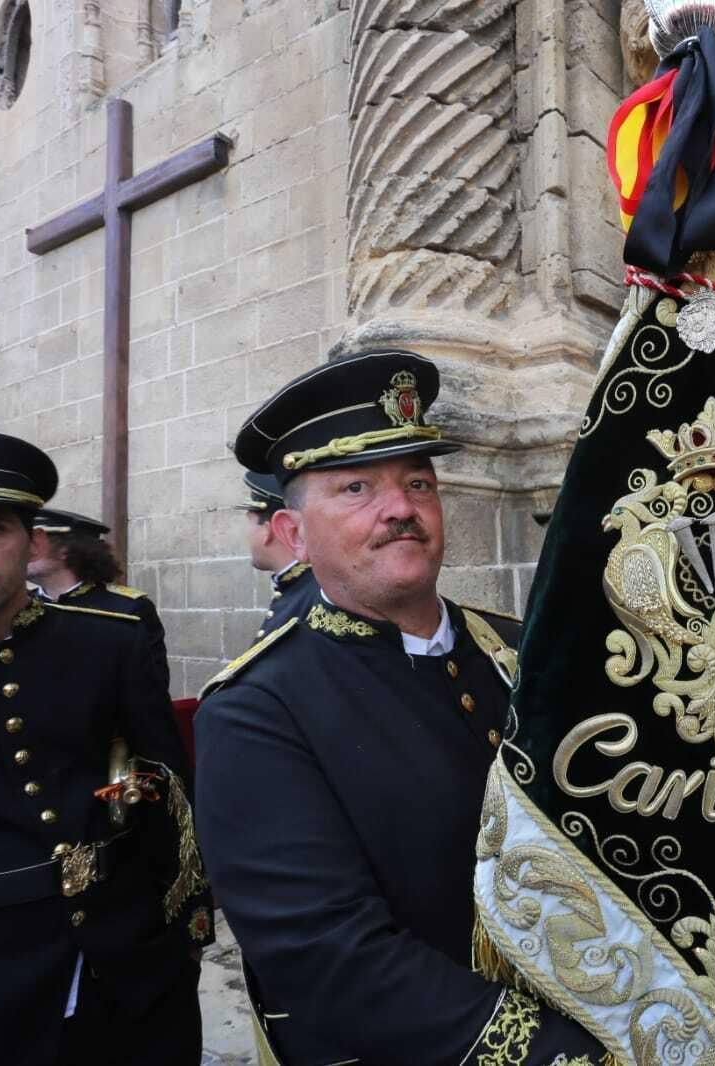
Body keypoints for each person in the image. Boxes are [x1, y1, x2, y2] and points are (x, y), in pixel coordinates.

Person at [196, 351, 604, 1064]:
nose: (400, 508)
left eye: (418, 482)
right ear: (293, 535)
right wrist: (553, 1054)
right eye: (356, 487)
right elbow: (331, 958)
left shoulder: (522, 648)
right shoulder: (257, 708)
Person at [0, 429, 212, 1066]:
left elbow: (162, 789)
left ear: (31, 541)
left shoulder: (110, 643)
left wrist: (183, 932)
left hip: (131, 967)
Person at [29, 506, 171, 697]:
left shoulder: (128, 608)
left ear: (65, 550)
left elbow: (149, 693)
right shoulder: (16, 608)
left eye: (33, 544)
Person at [238, 470, 317, 638]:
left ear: (267, 531)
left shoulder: (314, 598)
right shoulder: (300, 589)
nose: (246, 534)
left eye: (250, 522)